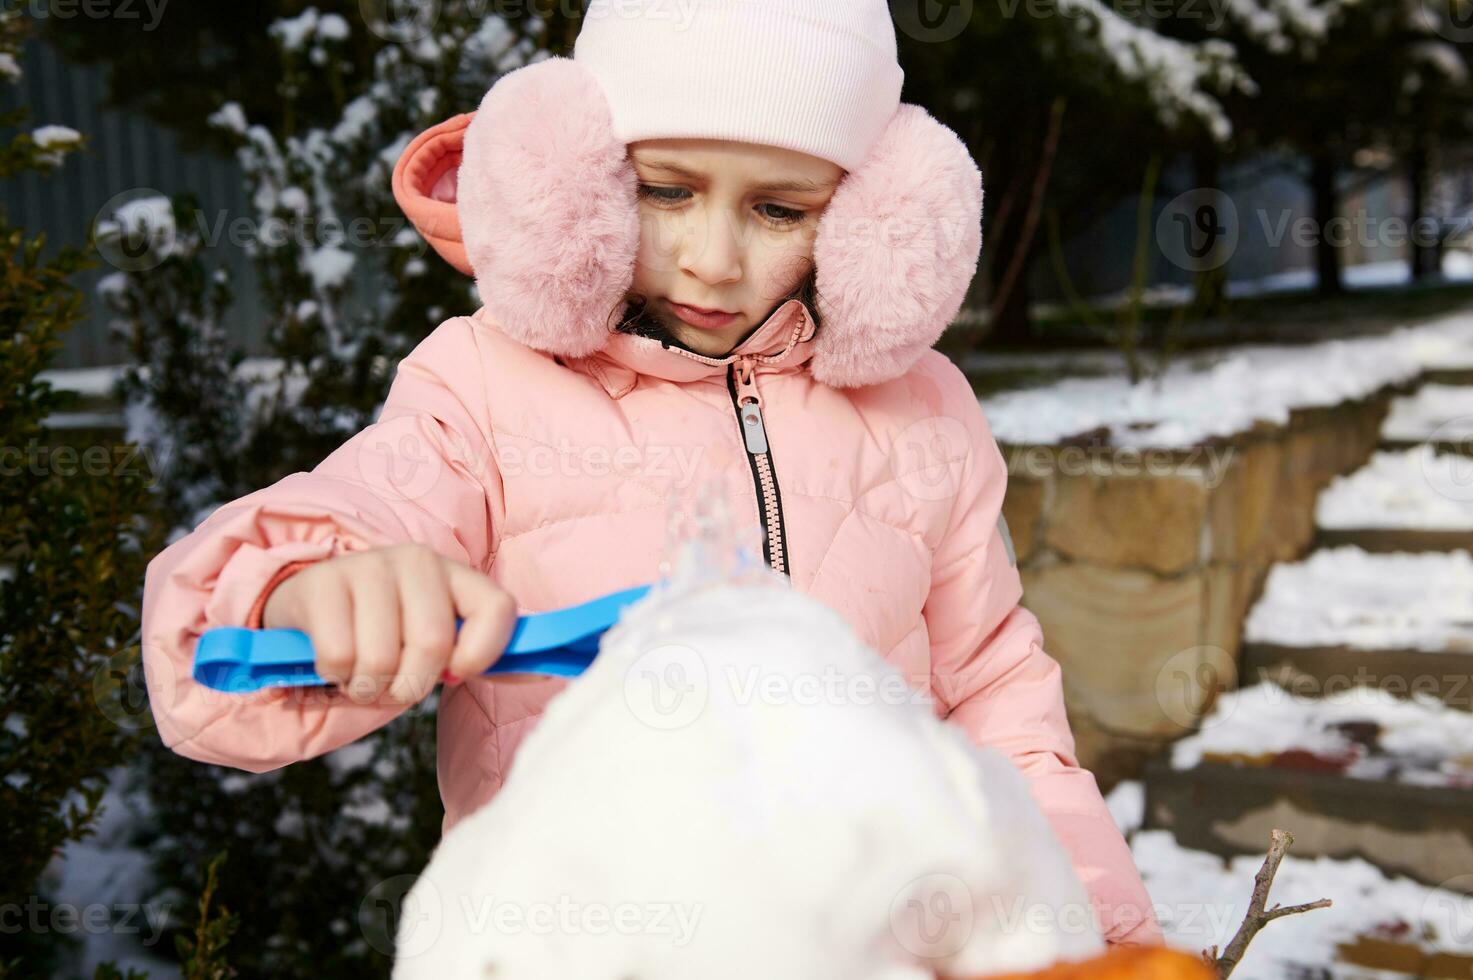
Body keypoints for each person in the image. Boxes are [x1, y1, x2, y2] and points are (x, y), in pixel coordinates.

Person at [141, 0, 1165, 948]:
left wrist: (1092, 934)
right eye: (665, 189)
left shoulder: (922, 407)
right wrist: (307, 583)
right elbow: (334, 538)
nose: (713, 259)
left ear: (864, 214)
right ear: (581, 177)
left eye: (779, 209)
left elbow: (996, 701)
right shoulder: (485, 387)